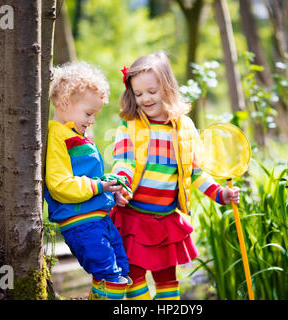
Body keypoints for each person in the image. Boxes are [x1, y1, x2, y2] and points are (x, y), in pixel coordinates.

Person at [110, 51, 240, 300]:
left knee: (168, 280)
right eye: (138, 94)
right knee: (132, 276)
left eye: (151, 91)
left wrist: (220, 194)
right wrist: (120, 186)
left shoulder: (185, 129)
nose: (145, 99)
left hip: (165, 220)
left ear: (167, 88)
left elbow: (195, 172)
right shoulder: (130, 125)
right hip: (133, 218)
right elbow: (123, 162)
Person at [44, 61, 131, 300]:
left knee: (122, 269)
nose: (92, 121)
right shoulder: (58, 137)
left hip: (99, 219)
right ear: (64, 103)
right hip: (82, 223)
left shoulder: (77, 136)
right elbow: (60, 185)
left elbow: (88, 178)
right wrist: (98, 186)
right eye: (88, 113)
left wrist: (109, 188)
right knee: (109, 275)